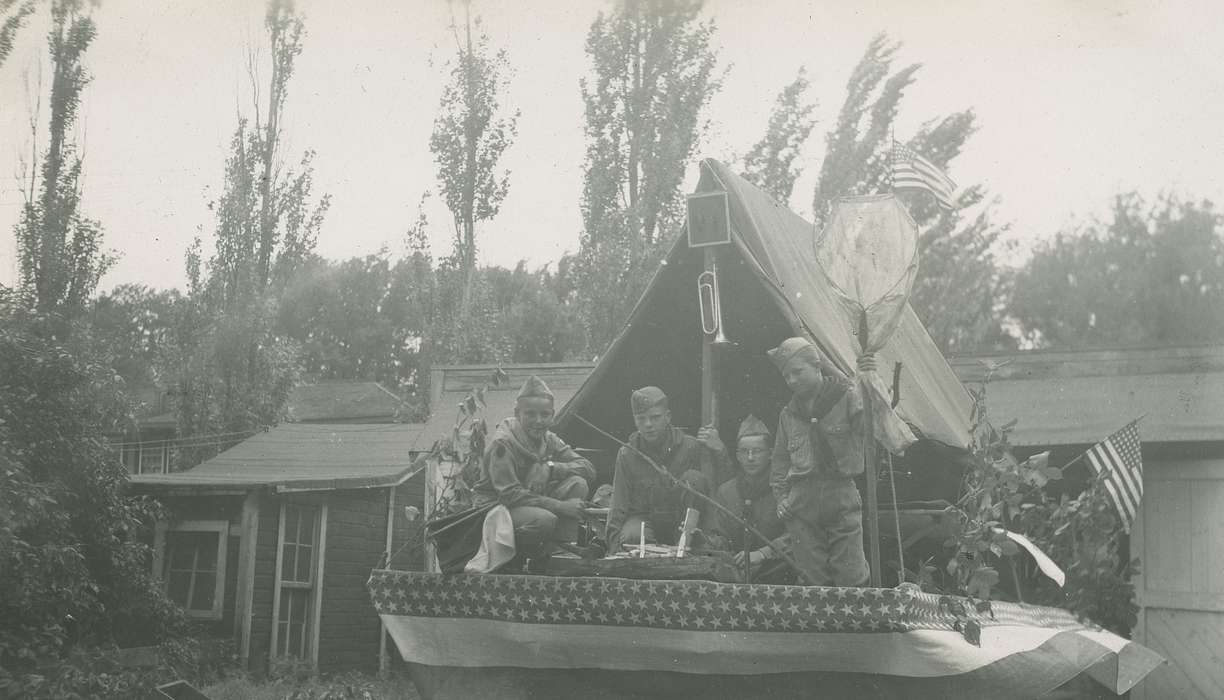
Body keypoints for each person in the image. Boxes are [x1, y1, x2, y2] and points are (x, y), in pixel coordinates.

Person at [767, 337, 875, 587]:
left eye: (798, 372)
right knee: (812, 580)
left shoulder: (847, 397)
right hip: (802, 502)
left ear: (817, 366)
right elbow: (780, 463)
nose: (792, 381)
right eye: (787, 377)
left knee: (852, 577)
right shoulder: (788, 415)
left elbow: (870, 429)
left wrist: (869, 385)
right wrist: (782, 499)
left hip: (841, 495)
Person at [471, 375, 595, 555]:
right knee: (544, 520)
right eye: (530, 414)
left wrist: (550, 468)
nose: (538, 421)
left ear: (552, 415)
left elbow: (588, 468)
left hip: (530, 504)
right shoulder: (503, 444)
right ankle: (522, 561)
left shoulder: (548, 438)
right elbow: (509, 495)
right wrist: (560, 506)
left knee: (578, 483)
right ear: (517, 413)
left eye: (544, 414)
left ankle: (563, 550)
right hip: (496, 510)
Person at [605, 386, 724, 552]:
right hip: (644, 521)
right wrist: (613, 547)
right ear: (634, 420)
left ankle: (683, 552)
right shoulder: (627, 454)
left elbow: (711, 494)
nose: (648, 425)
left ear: (667, 416)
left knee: (694, 478)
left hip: (682, 524)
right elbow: (618, 504)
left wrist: (712, 536)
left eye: (655, 418)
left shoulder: (690, 447)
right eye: (641, 419)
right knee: (631, 536)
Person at [701, 415, 793, 583]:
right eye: (744, 452)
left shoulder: (784, 489)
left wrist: (762, 554)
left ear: (771, 454)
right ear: (737, 455)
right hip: (738, 570)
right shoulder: (727, 492)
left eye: (757, 451)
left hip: (773, 569)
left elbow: (795, 536)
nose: (750, 458)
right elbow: (720, 533)